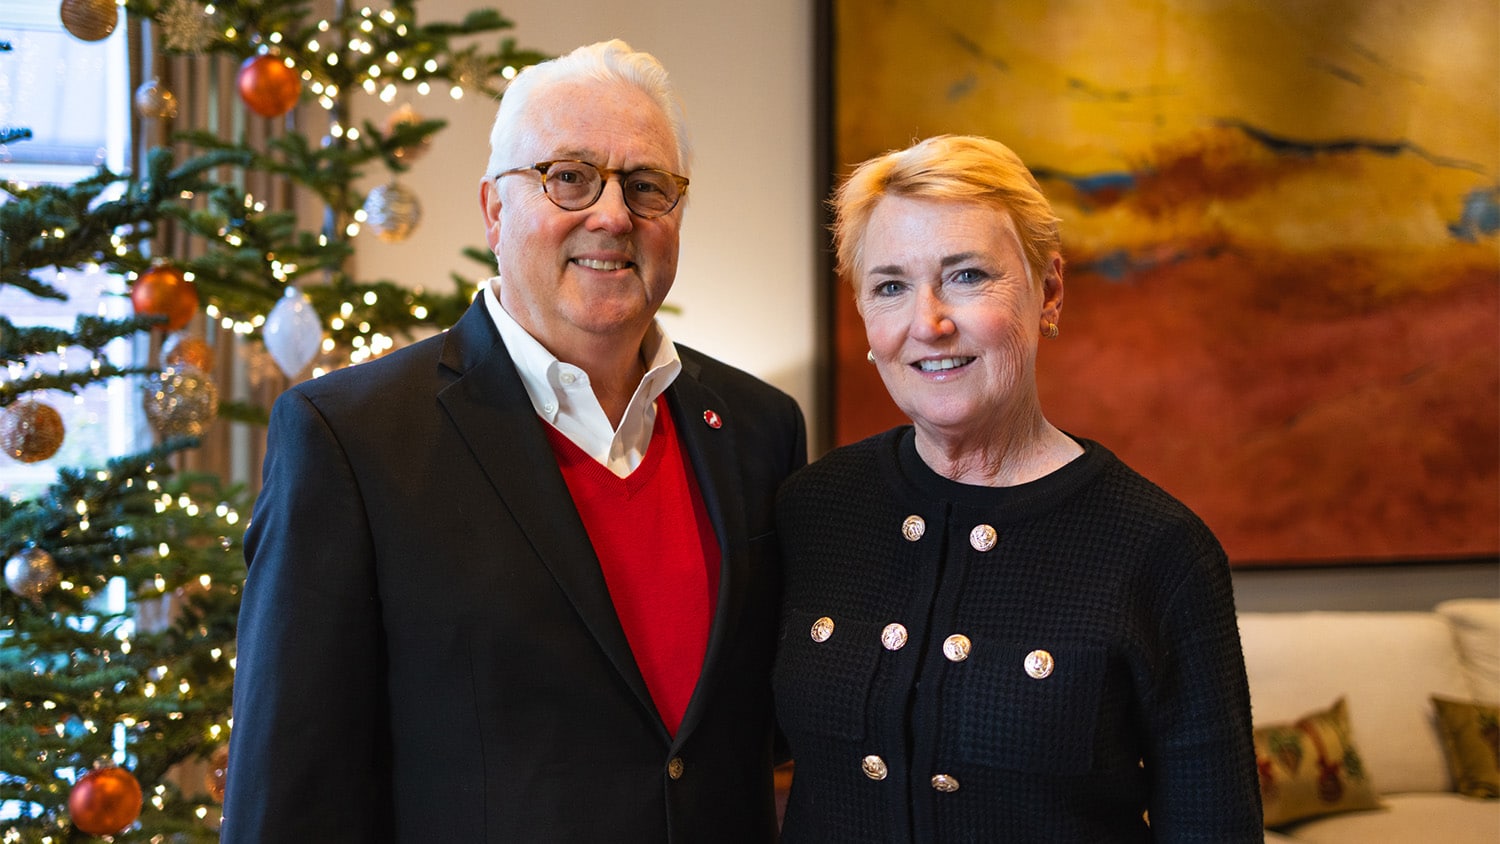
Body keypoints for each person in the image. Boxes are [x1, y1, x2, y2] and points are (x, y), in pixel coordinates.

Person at [224, 40, 806, 842]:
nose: (611, 215)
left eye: (647, 187)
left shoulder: (757, 428)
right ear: (495, 210)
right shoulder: (352, 439)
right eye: (568, 177)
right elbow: (290, 797)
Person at [771, 135, 1262, 841]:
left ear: (1049, 292)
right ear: (866, 319)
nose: (929, 323)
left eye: (967, 276)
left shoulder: (1159, 549)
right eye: (890, 286)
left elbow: (1214, 828)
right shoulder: (810, 511)